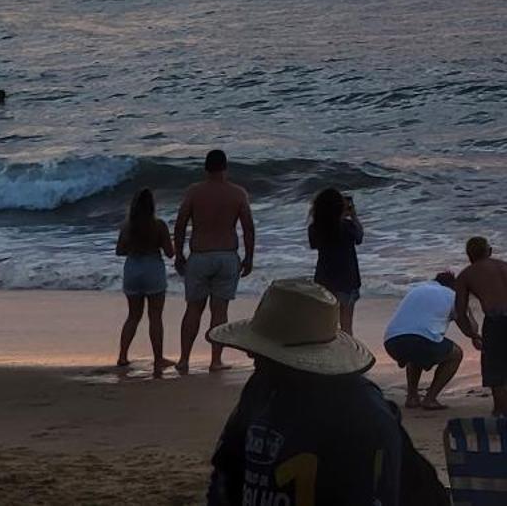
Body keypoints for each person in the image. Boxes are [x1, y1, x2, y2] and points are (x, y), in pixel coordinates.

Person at [206, 278, 401, 506]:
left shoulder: (363, 416)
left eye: (262, 350)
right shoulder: (262, 386)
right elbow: (226, 471)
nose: (251, 356)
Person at [174, 149, 256, 374]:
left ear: (205, 168)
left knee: (193, 309)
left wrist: (178, 253)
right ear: (225, 168)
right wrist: (249, 257)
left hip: (200, 255)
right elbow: (248, 228)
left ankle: (183, 359)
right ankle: (215, 360)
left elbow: (180, 224)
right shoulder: (238, 193)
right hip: (227, 256)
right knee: (219, 311)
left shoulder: (194, 192)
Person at [454, 235, 507, 417]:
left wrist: (472, 334)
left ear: (469, 255)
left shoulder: (466, 274)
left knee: (494, 372)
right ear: (489, 252)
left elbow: (459, 312)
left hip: (497, 319)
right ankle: (499, 409)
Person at [382, 270, 474, 410]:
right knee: (456, 354)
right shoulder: (452, 295)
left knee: (415, 353)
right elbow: (469, 330)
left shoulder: (417, 290)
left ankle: (412, 396)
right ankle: (430, 398)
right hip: (419, 341)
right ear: (453, 286)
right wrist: (468, 311)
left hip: (391, 341)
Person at [116, 187, 174, 372]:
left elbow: (119, 251)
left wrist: (135, 247)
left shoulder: (127, 226)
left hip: (132, 268)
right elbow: (170, 253)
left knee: (133, 316)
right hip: (152, 268)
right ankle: (158, 358)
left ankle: (123, 356)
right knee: (155, 316)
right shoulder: (158, 225)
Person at [308, 189, 365, 332]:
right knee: (346, 327)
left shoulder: (314, 228)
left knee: (325, 325)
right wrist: (353, 216)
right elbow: (359, 237)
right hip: (348, 279)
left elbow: (313, 245)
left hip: (324, 279)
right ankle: (347, 352)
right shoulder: (347, 226)